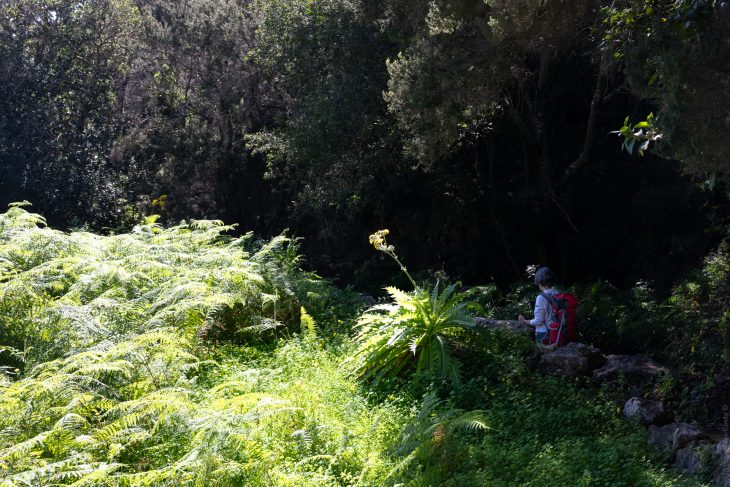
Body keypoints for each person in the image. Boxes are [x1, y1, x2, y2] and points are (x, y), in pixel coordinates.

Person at [519, 266, 560, 345]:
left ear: (539, 281)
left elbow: (538, 321)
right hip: (558, 333)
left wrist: (525, 321)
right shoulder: (558, 293)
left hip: (545, 335)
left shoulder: (541, 297)